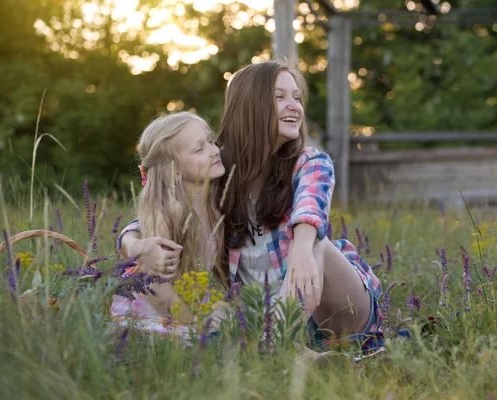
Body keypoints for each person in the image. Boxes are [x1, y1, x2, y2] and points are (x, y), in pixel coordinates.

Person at [120, 61, 383, 347]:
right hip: (270, 314)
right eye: (280, 97)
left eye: (297, 97)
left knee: (316, 243)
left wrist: (301, 247)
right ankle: (274, 343)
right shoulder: (220, 169)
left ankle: (274, 346)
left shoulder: (310, 162)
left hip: (339, 310)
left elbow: (311, 210)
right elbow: (156, 218)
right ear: (251, 106)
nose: (294, 105)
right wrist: (136, 246)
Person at [111, 111, 225, 335]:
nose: (215, 150)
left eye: (212, 141)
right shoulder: (171, 211)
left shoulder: (213, 204)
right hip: (154, 311)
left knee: (239, 321)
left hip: (189, 301)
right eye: (200, 149)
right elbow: (155, 285)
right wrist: (195, 323)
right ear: (174, 171)